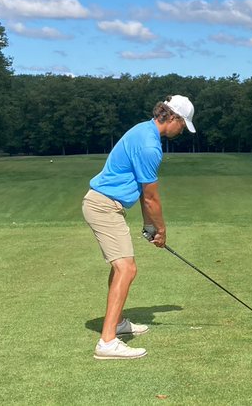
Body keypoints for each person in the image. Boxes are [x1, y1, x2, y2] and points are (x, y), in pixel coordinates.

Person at [82, 95, 196, 360]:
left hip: (107, 204)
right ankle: (107, 342)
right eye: (184, 124)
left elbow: (145, 195)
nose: (182, 131)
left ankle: (117, 322)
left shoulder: (143, 130)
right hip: (103, 206)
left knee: (120, 266)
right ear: (174, 118)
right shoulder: (149, 146)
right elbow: (150, 198)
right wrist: (161, 230)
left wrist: (148, 225)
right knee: (127, 268)